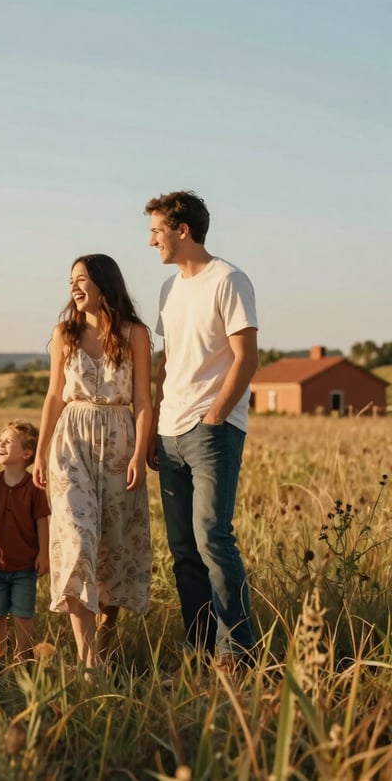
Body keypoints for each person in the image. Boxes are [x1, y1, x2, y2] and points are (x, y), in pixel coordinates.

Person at [144, 190, 258, 667]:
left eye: (156, 231)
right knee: (184, 549)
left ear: (182, 230)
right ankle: (199, 647)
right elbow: (168, 363)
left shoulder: (228, 279)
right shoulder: (169, 289)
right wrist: (154, 424)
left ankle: (237, 650)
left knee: (213, 537)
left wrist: (215, 416)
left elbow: (246, 357)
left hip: (212, 430)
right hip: (169, 431)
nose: (152, 242)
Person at [33, 255, 152, 673]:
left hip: (120, 440)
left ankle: (105, 640)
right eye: (71, 280)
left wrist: (140, 452)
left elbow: (142, 400)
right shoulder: (64, 333)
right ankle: (88, 662)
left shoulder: (134, 333)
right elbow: (53, 395)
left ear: (104, 284)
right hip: (71, 439)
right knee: (79, 541)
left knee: (112, 547)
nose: (74, 287)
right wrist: (41, 449)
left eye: (82, 279)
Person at [0, 420, 50, 662]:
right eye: (0, 440)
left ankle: (23, 654)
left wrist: (43, 554)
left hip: (25, 565)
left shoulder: (34, 487)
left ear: (27, 453)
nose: (0, 444)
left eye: (8, 441)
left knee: (23, 612)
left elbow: (42, 523)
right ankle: (0, 656)